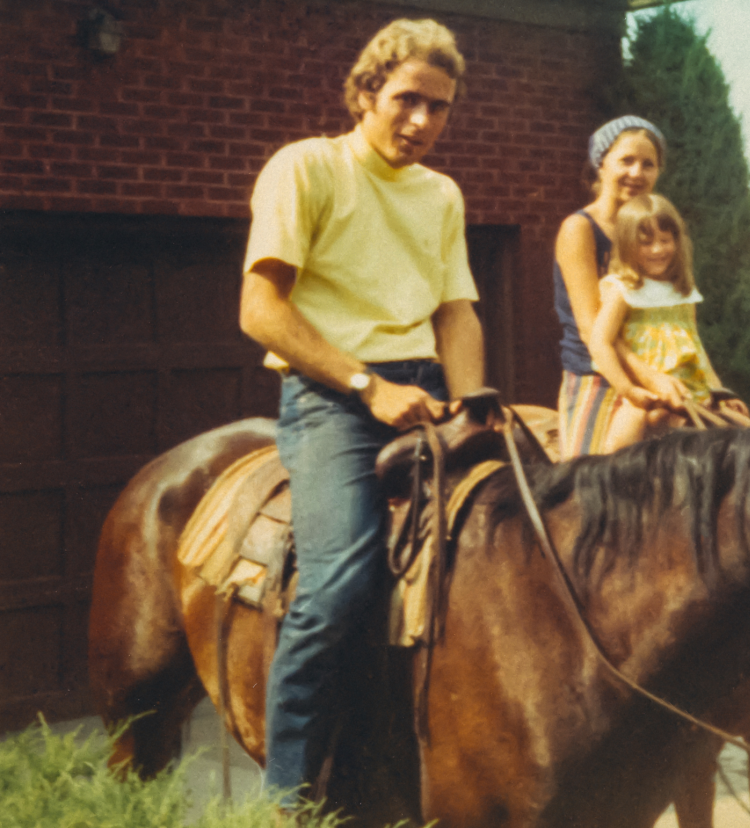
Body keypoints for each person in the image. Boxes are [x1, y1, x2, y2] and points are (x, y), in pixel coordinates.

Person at [237, 18, 483, 807]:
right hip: (331, 399)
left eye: (439, 108)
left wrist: (473, 406)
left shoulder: (441, 193)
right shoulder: (307, 167)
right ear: (366, 91)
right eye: (407, 99)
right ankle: (287, 800)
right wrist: (366, 387)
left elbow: (457, 315)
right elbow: (260, 310)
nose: (421, 122)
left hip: (425, 396)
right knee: (339, 584)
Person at [587, 194, 746, 452]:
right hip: (648, 395)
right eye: (646, 243)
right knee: (620, 447)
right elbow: (600, 342)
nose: (658, 250)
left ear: (677, 240)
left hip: (693, 393)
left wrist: (720, 391)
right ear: (628, 245)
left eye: (665, 240)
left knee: (746, 428)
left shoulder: (682, 291)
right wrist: (627, 389)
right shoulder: (622, 289)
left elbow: (696, 346)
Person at [553, 115, 670, 457]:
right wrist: (649, 379)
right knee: (588, 488)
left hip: (654, 372)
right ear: (601, 165)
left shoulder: (655, 237)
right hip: (597, 374)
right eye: (626, 161)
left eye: (648, 164)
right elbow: (591, 330)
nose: (637, 173)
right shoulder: (580, 228)